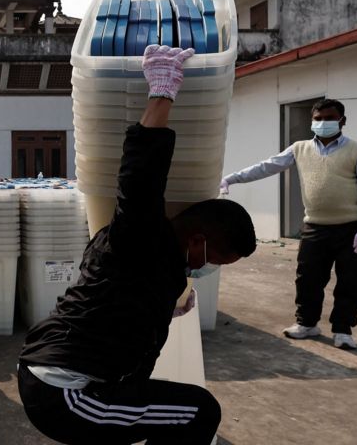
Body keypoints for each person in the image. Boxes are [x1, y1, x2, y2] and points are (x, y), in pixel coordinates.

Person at [18, 45, 257, 445]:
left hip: (54, 375)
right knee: (199, 412)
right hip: (67, 392)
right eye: (214, 259)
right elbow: (140, 176)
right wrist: (162, 91)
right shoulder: (140, 237)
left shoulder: (153, 258)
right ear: (197, 239)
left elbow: (127, 297)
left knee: (152, 402)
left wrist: (169, 301)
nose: (208, 268)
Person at [220, 98, 357, 350]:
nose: (323, 123)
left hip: (351, 229)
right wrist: (231, 178)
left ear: (342, 121)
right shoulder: (300, 148)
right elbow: (267, 166)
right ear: (311, 121)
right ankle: (307, 323)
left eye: (329, 118)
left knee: (350, 281)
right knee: (308, 278)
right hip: (315, 227)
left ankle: (343, 329)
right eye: (318, 119)